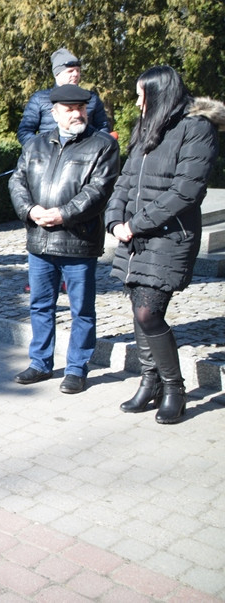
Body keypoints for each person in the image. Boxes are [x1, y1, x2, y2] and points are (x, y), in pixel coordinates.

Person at [105, 66, 223, 424]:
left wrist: (135, 224)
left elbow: (186, 190)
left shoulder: (196, 127)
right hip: (135, 236)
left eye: (141, 95)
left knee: (149, 312)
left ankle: (175, 389)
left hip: (169, 236)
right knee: (138, 308)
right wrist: (114, 220)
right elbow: (125, 180)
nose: (136, 102)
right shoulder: (148, 126)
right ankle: (149, 381)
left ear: (159, 94)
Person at [8, 84, 120, 394]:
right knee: (40, 306)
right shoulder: (36, 145)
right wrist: (30, 210)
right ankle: (40, 363)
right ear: (54, 113)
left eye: (81, 108)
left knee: (81, 309)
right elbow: (17, 181)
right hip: (39, 239)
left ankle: (76, 369)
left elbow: (98, 191)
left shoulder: (103, 145)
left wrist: (62, 214)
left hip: (78, 241)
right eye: (69, 109)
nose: (77, 114)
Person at [17, 48, 110, 146]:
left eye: (78, 71)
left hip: (85, 152)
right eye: (70, 71)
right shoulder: (39, 99)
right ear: (57, 74)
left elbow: (103, 129)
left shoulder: (91, 98)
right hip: (50, 152)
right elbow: (25, 132)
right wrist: (42, 149)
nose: (75, 74)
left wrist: (94, 149)